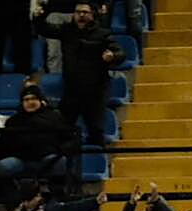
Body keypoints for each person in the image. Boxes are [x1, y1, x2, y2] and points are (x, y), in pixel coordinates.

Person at [33, 0, 124, 147]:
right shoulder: (66, 31)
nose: (81, 15)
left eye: (85, 12)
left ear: (92, 15)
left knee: (95, 130)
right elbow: (44, 29)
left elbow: (120, 53)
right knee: (63, 130)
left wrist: (113, 56)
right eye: (78, 12)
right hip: (72, 89)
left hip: (95, 91)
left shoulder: (103, 34)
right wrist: (39, 17)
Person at [0, 82, 76, 180]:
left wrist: (61, 150)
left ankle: (56, 189)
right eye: (26, 99)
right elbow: (2, 145)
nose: (30, 102)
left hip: (48, 157)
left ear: (40, 101)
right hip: (20, 159)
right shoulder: (13, 121)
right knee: (4, 165)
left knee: (61, 161)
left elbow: (69, 138)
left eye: (34, 99)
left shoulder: (54, 117)